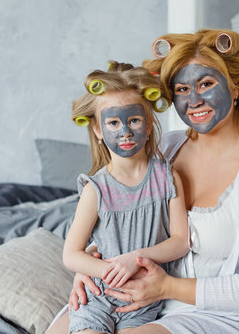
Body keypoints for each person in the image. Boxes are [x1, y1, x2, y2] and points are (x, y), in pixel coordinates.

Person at [49, 29, 239, 333]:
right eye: (181, 89)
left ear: (235, 87)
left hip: (220, 313)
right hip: (136, 293)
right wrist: (88, 268)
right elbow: (117, 221)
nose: (194, 99)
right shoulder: (163, 150)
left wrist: (166, 287)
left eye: (206, 84)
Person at [55, 61, 189, 334]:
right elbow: (71, 255)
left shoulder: (167, 178)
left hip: (141, 300)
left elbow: (180, 241)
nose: (125, 131)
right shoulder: (96, 189)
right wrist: (109, 271)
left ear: (149, 124)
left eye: (134, 120)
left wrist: (135, 259)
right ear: (98, 130)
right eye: (113, 122)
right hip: (97, 297)